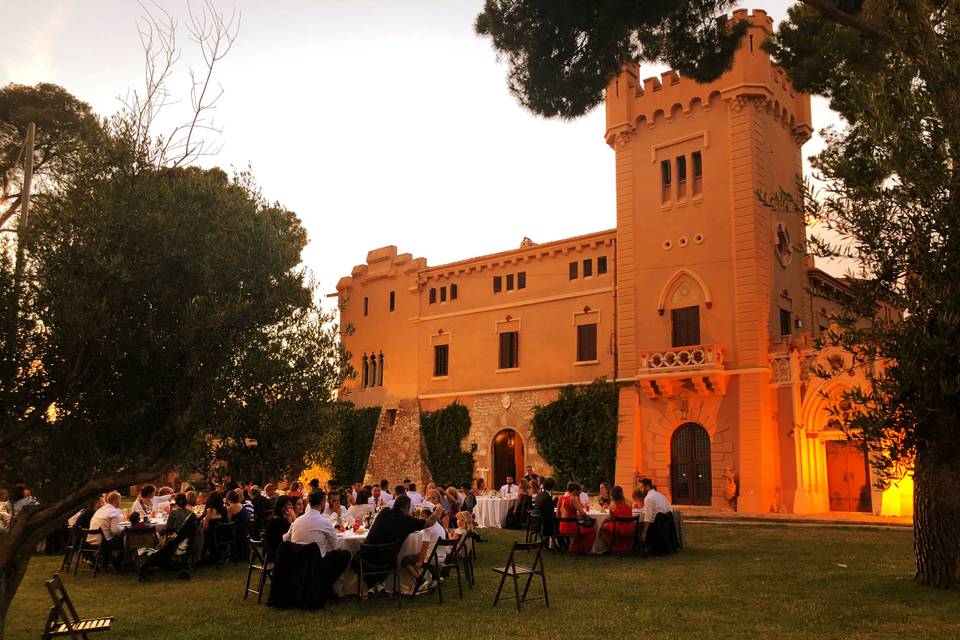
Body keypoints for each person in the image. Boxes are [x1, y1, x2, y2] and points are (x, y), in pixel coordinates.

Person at [360, 495, 444, 596]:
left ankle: (372, 585)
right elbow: (429, 522)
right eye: (409, 507)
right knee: (395, 559)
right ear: (403, 508)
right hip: (387, 560)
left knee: (356, 560)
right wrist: (438, 509)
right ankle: (378, 585)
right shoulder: (407, 522)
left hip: (369, 556)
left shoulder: (384, 512)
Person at [283, 491, 351, 598]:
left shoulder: (297, 521)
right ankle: (326, 586)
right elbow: (335, 547)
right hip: (317, 563)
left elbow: (286, 539)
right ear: (323, 503)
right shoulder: (325, 522)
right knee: (345, 554)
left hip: (298, 561)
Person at [401, 504, 447, 590]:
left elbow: (425, 546)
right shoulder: (439, 526)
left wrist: (420, 562)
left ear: (426, 514)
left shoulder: (428, 528)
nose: (420, 517)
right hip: (441, 556)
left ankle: (421, 581)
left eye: (422, 514)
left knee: (405, 560)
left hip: (432, 557)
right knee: (417, 557)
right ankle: (435, 577)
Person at [638, 479, 677, 556]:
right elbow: (670, 510)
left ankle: (643, 548)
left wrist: (644, 532)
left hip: (656, 526)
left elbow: (648, 517)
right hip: (665, 524)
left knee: (639, 525)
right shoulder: (661, 495)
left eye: (641, 487)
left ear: (647, 487)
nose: (640, 490)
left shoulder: (648, 498)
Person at [88, 492, 125, 569]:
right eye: (120, 500)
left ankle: (107, 562)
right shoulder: (114, 512)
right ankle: (118, 563)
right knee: (126, 540)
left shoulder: (100, 510)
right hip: (104, 542)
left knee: (117, 537)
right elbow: (115, 531)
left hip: (92, 539)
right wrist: (124, 528)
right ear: (117, 501)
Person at [557, 482, 596, 555]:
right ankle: (578, 549)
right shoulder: (572, 499)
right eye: (578, 493)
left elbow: (558, 515)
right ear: (575, 491)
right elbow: (582, 513)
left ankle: (573, 548)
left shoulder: (560, 498)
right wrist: (588, 517)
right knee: (592, 530)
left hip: (561, 527)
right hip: (572, 528)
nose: (578, 495)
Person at [601, 486, 636, 553]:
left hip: (619, 529)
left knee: (602, 528)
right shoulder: (629, 502)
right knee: (610, 526)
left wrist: (605, 520)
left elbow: (611, 519)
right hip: (631, 528)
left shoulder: (612, 504)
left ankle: (610, 547)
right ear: (622, 493)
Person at [226, 489, 250, 561]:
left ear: (229, 499)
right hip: (245, 528)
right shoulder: (240, 504)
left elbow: (229, 521)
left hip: (238, 529)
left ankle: (231, 554)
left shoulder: (230, 507)